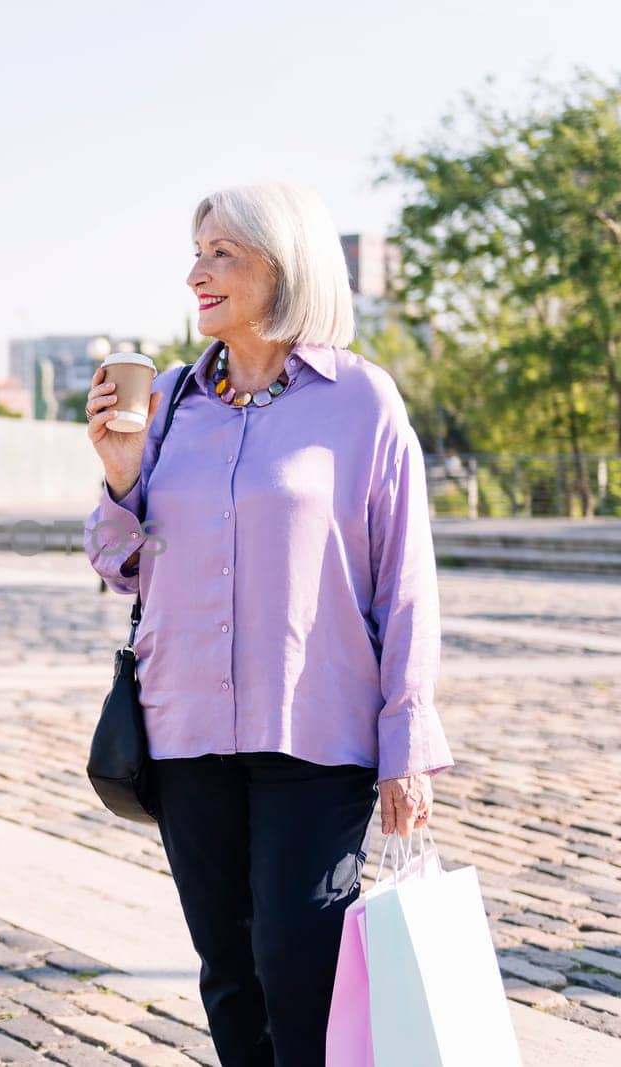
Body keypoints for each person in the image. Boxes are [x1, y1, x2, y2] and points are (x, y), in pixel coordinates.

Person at [81, 182, 453, 1067]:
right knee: (230, 975)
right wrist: (123, 475)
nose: (195, 272)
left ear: (282, 270)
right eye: (197, 251)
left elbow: (405, 583)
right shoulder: (171, 400)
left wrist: (407, 741)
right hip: (186, 734)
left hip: (315, 737)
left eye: (222, 254)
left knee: (300, 969)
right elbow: (120, 560)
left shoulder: (362, 402)